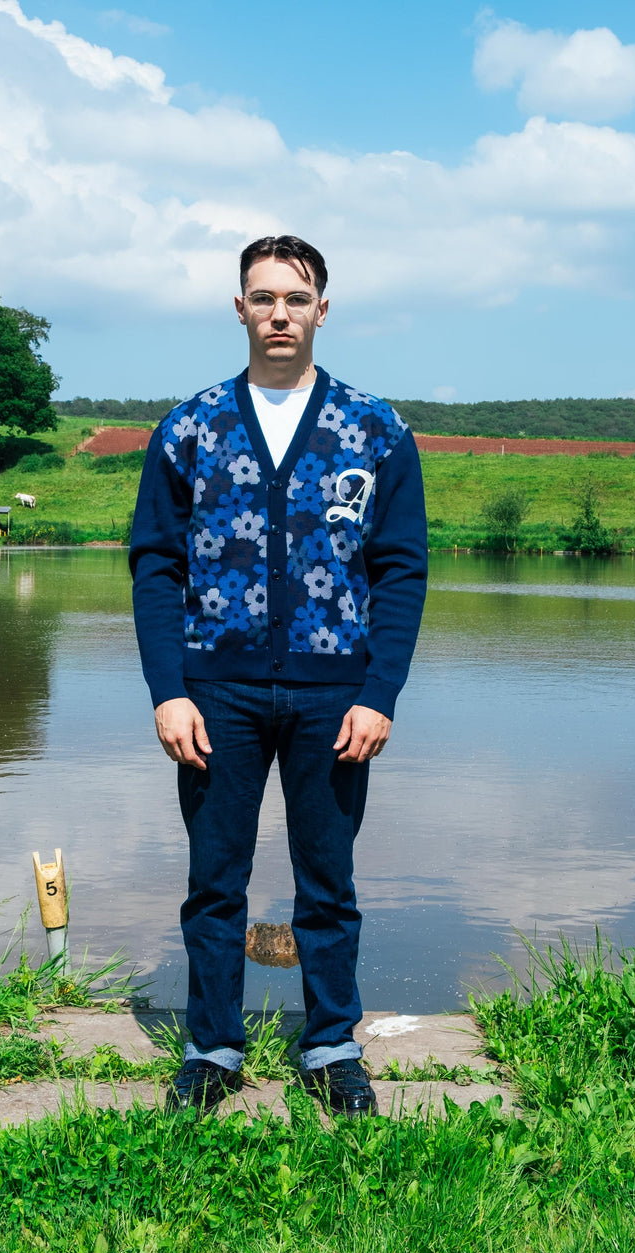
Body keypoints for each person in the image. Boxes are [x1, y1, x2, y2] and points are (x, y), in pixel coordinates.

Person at [129, 234, 427, 1116]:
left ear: (322, 310)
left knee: (327, 882)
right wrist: (168, 689)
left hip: (335, 693)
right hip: (213, 691)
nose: (280, 314)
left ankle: (331, 1046)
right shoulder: (192, 427)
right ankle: (212, 1049)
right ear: (240, 309)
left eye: (296, 299)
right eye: (263, 298)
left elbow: (402, 567)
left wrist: (380, 692)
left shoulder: (374, 429)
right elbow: (155, 564)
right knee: (214, 879)